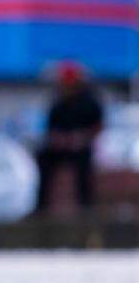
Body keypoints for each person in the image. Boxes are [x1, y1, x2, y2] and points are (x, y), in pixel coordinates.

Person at [36, 61, 103, 211]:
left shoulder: (90, 102)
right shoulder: (58, 103)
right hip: (62, 146)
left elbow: (98, 127)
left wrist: (81, 138)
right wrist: (59, 139)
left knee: (84, 165)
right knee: (43, 158)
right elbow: (51, 129)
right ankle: (41, 206)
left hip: (81, 146)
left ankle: (86, 206)